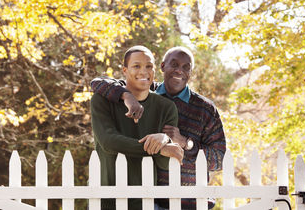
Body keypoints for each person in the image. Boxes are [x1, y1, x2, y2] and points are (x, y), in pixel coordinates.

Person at [91, 46, 226, 210]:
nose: (179, 71)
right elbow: (98, 83)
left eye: (186, 67)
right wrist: (127, 96)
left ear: (191, 71)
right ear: (162, 67)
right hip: (153, 200)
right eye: (174, 64)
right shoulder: (145, 90)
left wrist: (185, 143)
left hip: (192, 203)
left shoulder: (205, 109)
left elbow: (220, 159)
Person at [91, 45, 184, 210]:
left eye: (149, 66)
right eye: (136, 66)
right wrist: (159, 148)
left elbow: (164, 162)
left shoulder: (166, 107)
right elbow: (108, 141)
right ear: (125, 70)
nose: (144, 71)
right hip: (105, 201)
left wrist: (165, 141)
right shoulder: (102, 100)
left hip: (145, 202)